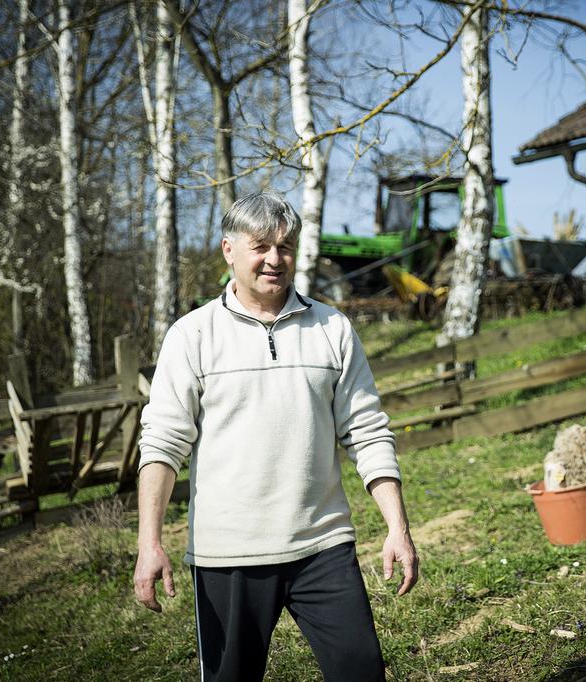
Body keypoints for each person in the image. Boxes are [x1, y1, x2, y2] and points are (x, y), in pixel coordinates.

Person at [133, 192, 418, 681]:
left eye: (285, 247)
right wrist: (149, 542)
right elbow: (162, 445)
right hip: (228, 557)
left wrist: (398, 527)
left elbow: (367, 431)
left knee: (362, 671)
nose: (274, 259)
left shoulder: (333, 329)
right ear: (229, 250)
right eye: (260, 246)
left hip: (324, 547)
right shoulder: (192, 336)